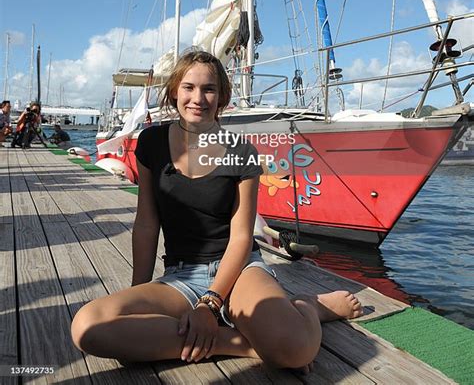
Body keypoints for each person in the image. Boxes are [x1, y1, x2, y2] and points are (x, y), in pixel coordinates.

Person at [71, 50, 362, 371]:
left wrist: (209, 305)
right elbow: (146, 223)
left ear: (222, 96)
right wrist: (139, 291)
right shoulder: (151, 142)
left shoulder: (242, 152)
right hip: (181, 275)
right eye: (188, 87)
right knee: (88, 326)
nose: (198, 98)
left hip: (239, 272)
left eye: (209, 89)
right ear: (174, 92)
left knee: (295, 352)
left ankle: (309, 307)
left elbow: (241, 238)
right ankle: (241, 343)